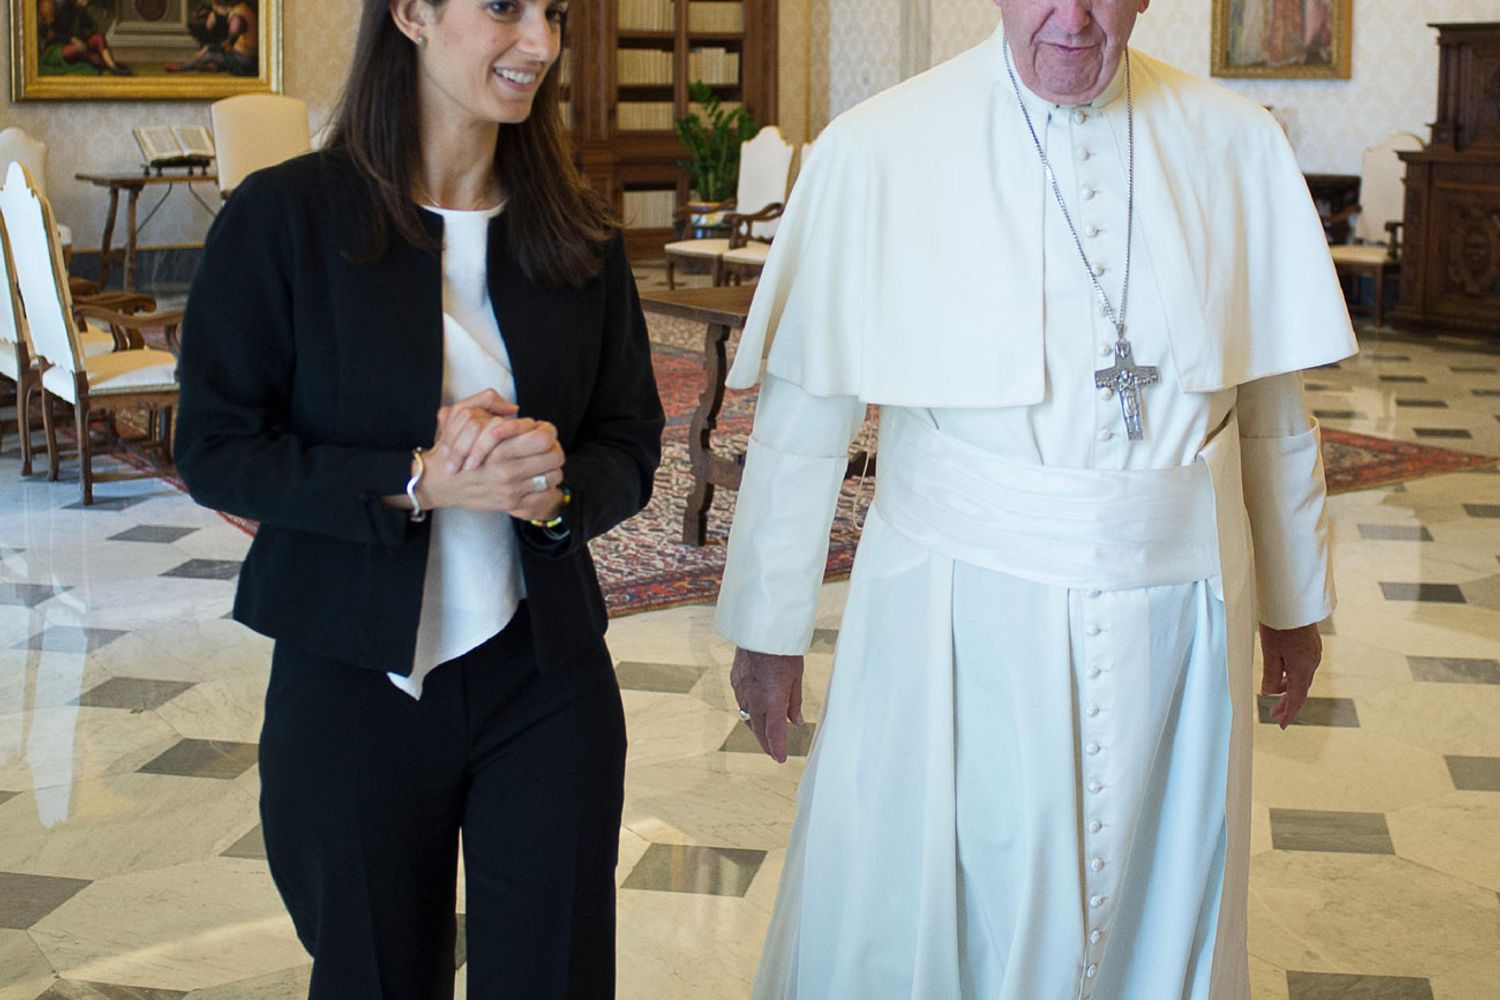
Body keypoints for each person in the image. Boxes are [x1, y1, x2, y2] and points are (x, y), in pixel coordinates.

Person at [715, 1, 1356, 997]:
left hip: (1184, 628)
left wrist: (1295, 601)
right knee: (953, 909)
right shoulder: (880, 148)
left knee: (1165, 908)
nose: (1071, 16)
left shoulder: (1234, 147)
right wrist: (767, 626)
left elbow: (1271, 403)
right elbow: (807, 414)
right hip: (957, 623)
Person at [173, 0, 664, 995]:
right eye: (503, 8)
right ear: (410, 12)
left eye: (555, 14)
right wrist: (415, 481)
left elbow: (630, 438)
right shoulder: (281, 221)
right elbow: (218, 449)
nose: (539, 42)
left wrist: (552, 493)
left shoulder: (582, 232)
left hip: (548, 683)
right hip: (353, 683)